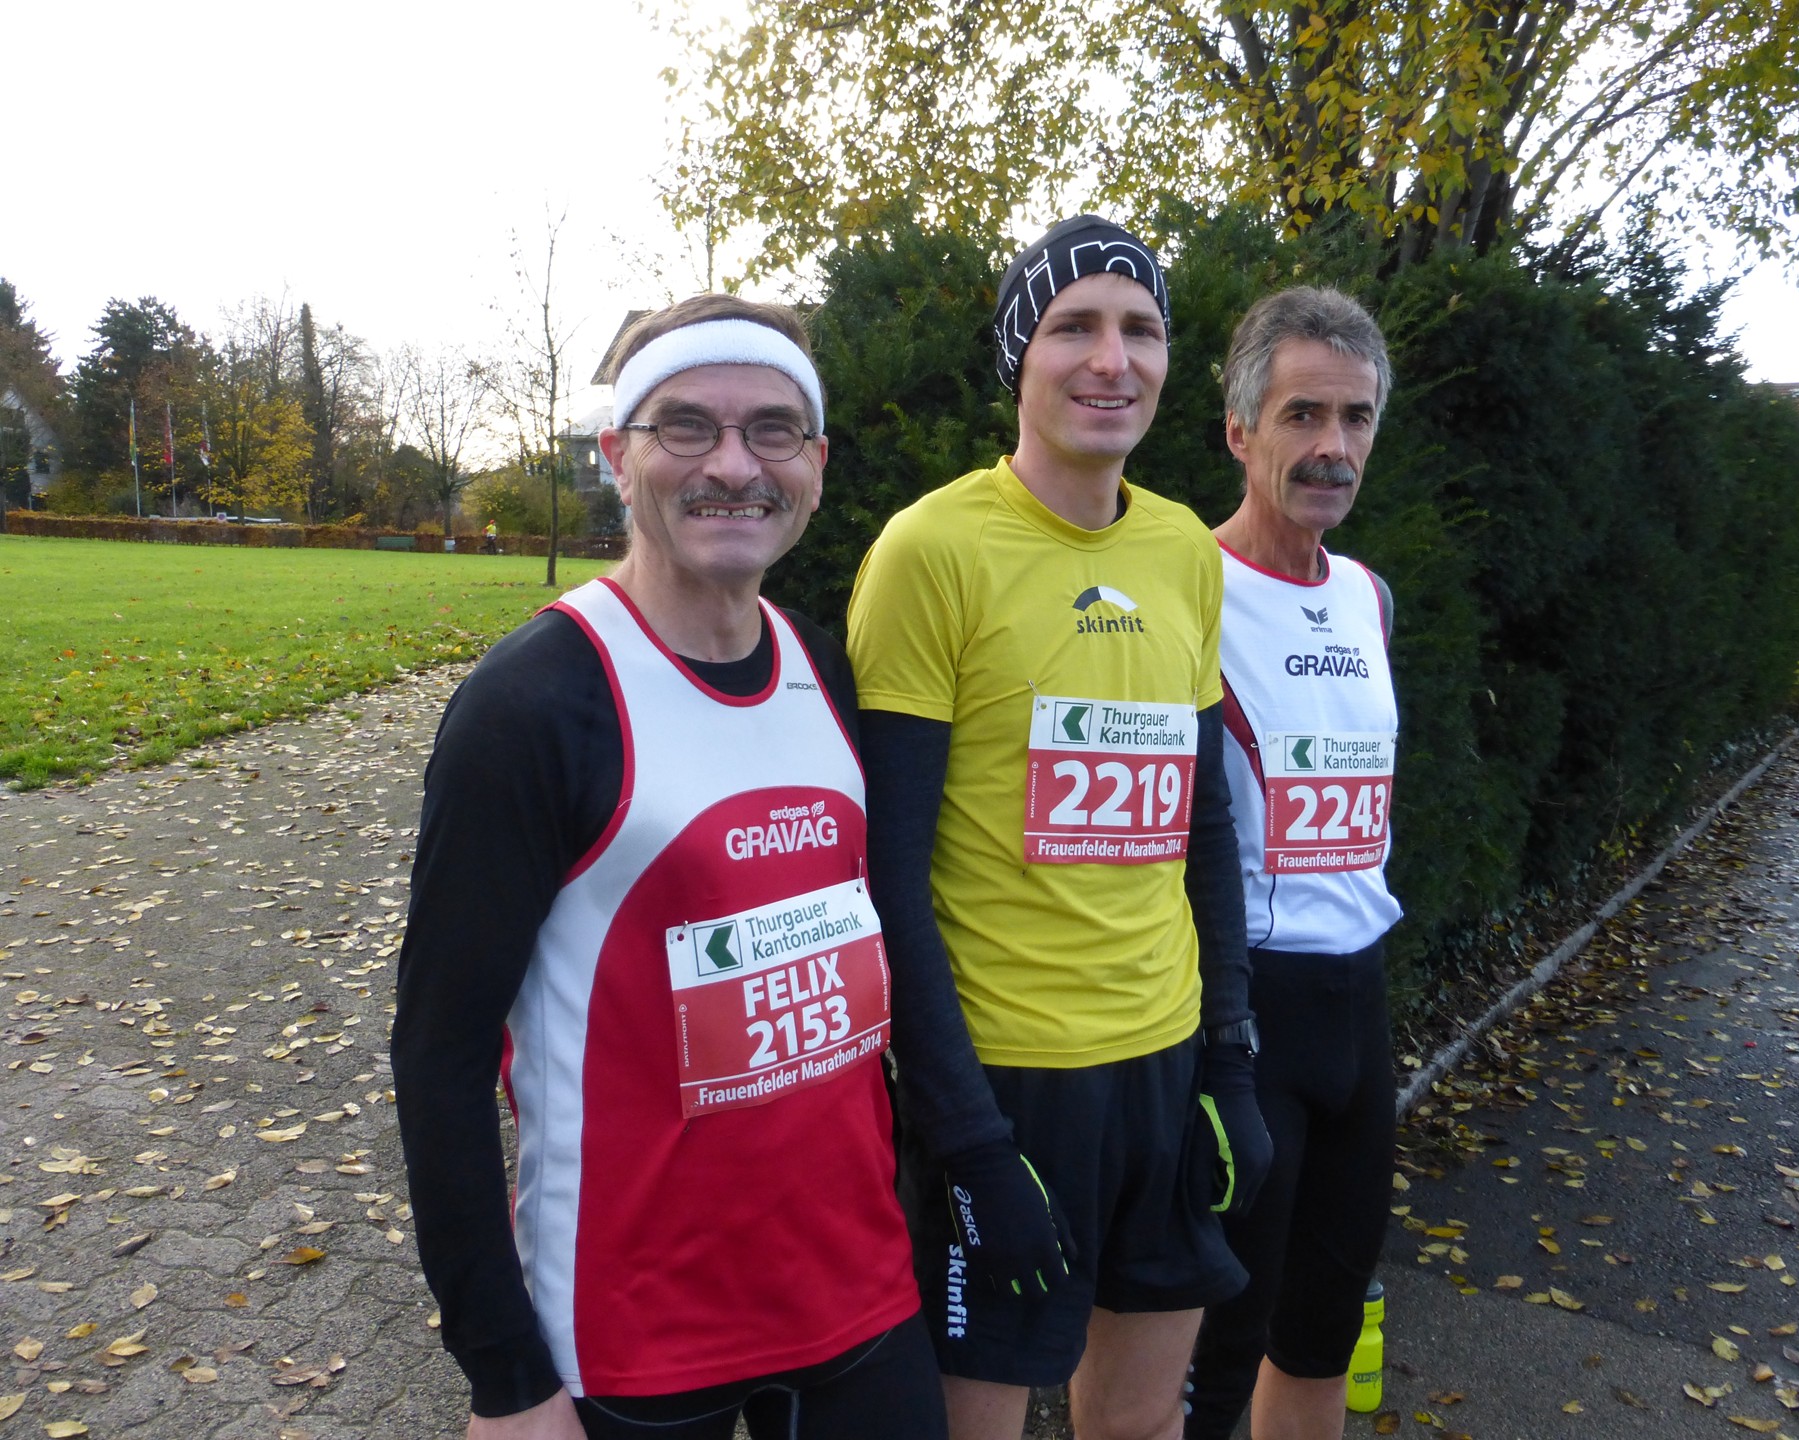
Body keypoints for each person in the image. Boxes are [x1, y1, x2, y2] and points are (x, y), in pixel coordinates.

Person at [392, 295, 943, 1440]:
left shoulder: (821, 669)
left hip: (855, 1295)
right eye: (687, 426)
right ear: (617, 457)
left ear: (818, 464)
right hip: (634, 1334)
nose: (735, 466)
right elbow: (440, 1061)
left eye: (773, 431)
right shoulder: (534, 704)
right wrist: (505, 1378)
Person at [847, 215, 1273, 1440]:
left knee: (1136, 1427)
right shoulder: (931, 551)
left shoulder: (1186, 547)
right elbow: (891, 874)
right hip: (1008, 1080)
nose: (1112, 358)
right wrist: (967, 1137)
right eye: (1074, 325)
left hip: (1165, 1061)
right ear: (1017, 360)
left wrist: (1229, 1061)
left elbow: (1203, 831)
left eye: (1140, 329)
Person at [1183, 287, 1403, 1440]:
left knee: (1320, 1332)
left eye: (1356, 418)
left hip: (1359, 1009)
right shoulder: (1186, 586)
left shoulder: (1367, 595)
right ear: (1239, 430)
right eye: (1303, 413)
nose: (1331, 446)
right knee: (1216, 1357)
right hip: (1245, 1013)